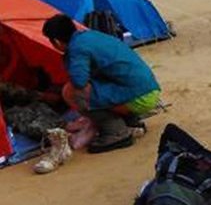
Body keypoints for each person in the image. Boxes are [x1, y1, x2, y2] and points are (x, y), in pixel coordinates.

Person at [42, 14, 161, 153]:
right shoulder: (91, 35)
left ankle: (116, 132)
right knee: (101, 84)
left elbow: (79, 81)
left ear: (56, 41)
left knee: (71, 92)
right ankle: (131, 122)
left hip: (139, 98)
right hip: (149, 90)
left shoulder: (77, 48)